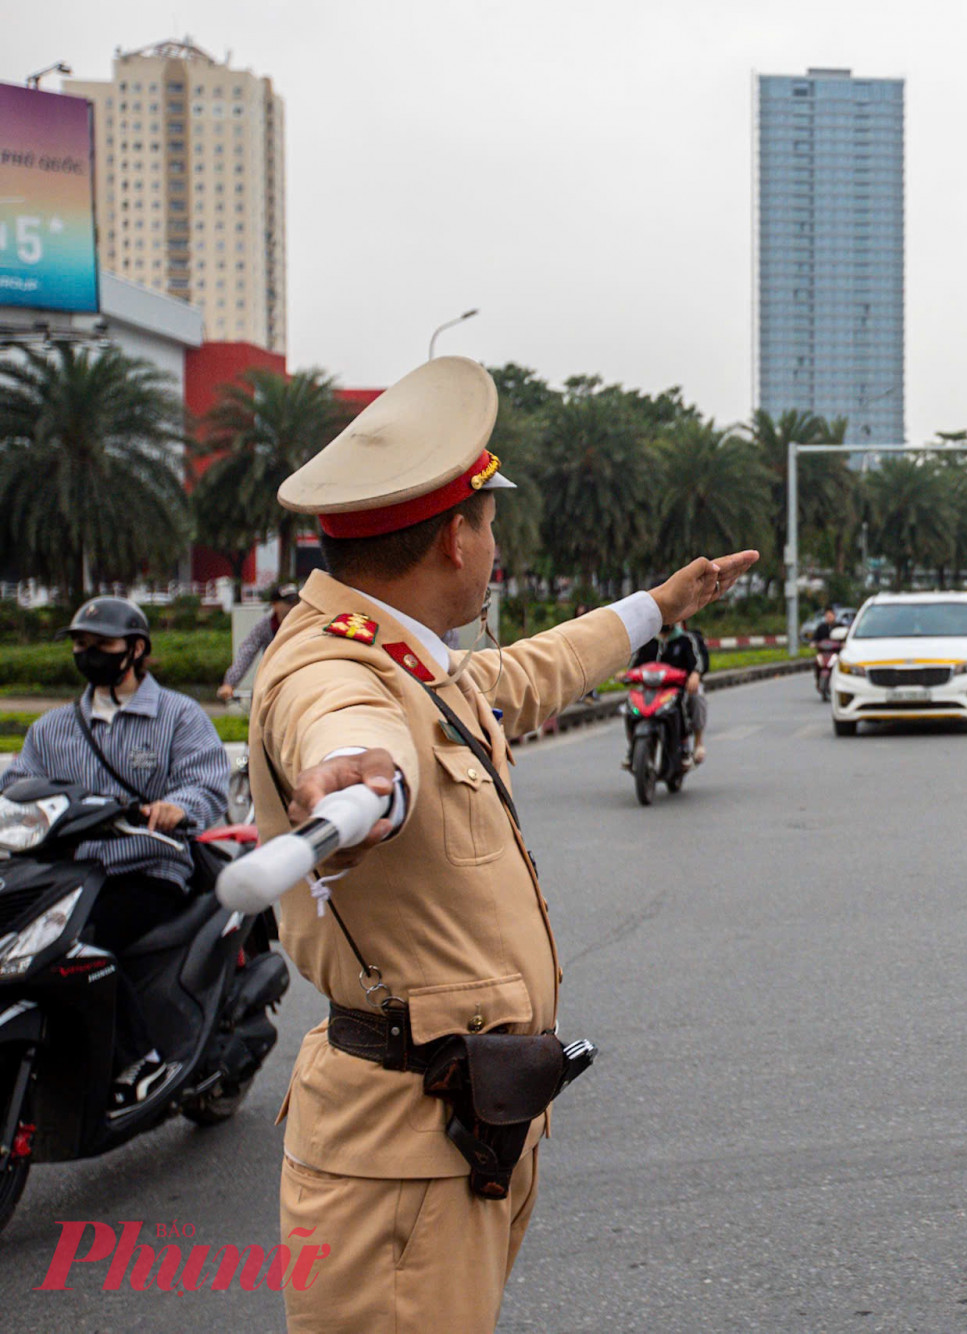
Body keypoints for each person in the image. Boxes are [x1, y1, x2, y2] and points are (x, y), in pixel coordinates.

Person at [248, 356, 757, 1333]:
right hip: (400, 1145)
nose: (495, 549)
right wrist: (356, 774)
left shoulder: (406, 655)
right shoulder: (327, 665)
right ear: (454, 535)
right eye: (490, 526)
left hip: (463, 1123)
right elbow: (341, 723)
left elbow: (525, 671)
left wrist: (661, 603)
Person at [8, 597, 228, 1108]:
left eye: (101, 645)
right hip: (66, 873)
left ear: (135, 650)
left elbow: (207, 782)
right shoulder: (51, 729)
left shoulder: (178, 715)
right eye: (81, 645)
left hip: (148, 867)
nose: (88, 654)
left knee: (81, 940)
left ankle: (140, 1060)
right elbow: (17, 785)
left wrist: (177, 806)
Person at [631, 619, 710, 764]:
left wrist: (695, 674)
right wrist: (626, 675)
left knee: (696, 696)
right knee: (631, 705)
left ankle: (697, 743)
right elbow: (635, 665)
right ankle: (632, 750)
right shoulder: (647, 641)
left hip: (679, 689)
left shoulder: (686, 639)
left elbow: (698, 662)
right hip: (652, 690)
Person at [216, 583, 301, 703]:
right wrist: (230, 683)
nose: (294, 607)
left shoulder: (305, 623)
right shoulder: (265, 626)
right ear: (274, 605)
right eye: (289, 602)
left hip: (300, 680)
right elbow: (247, 651)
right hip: (273, 682)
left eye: (296, 602)